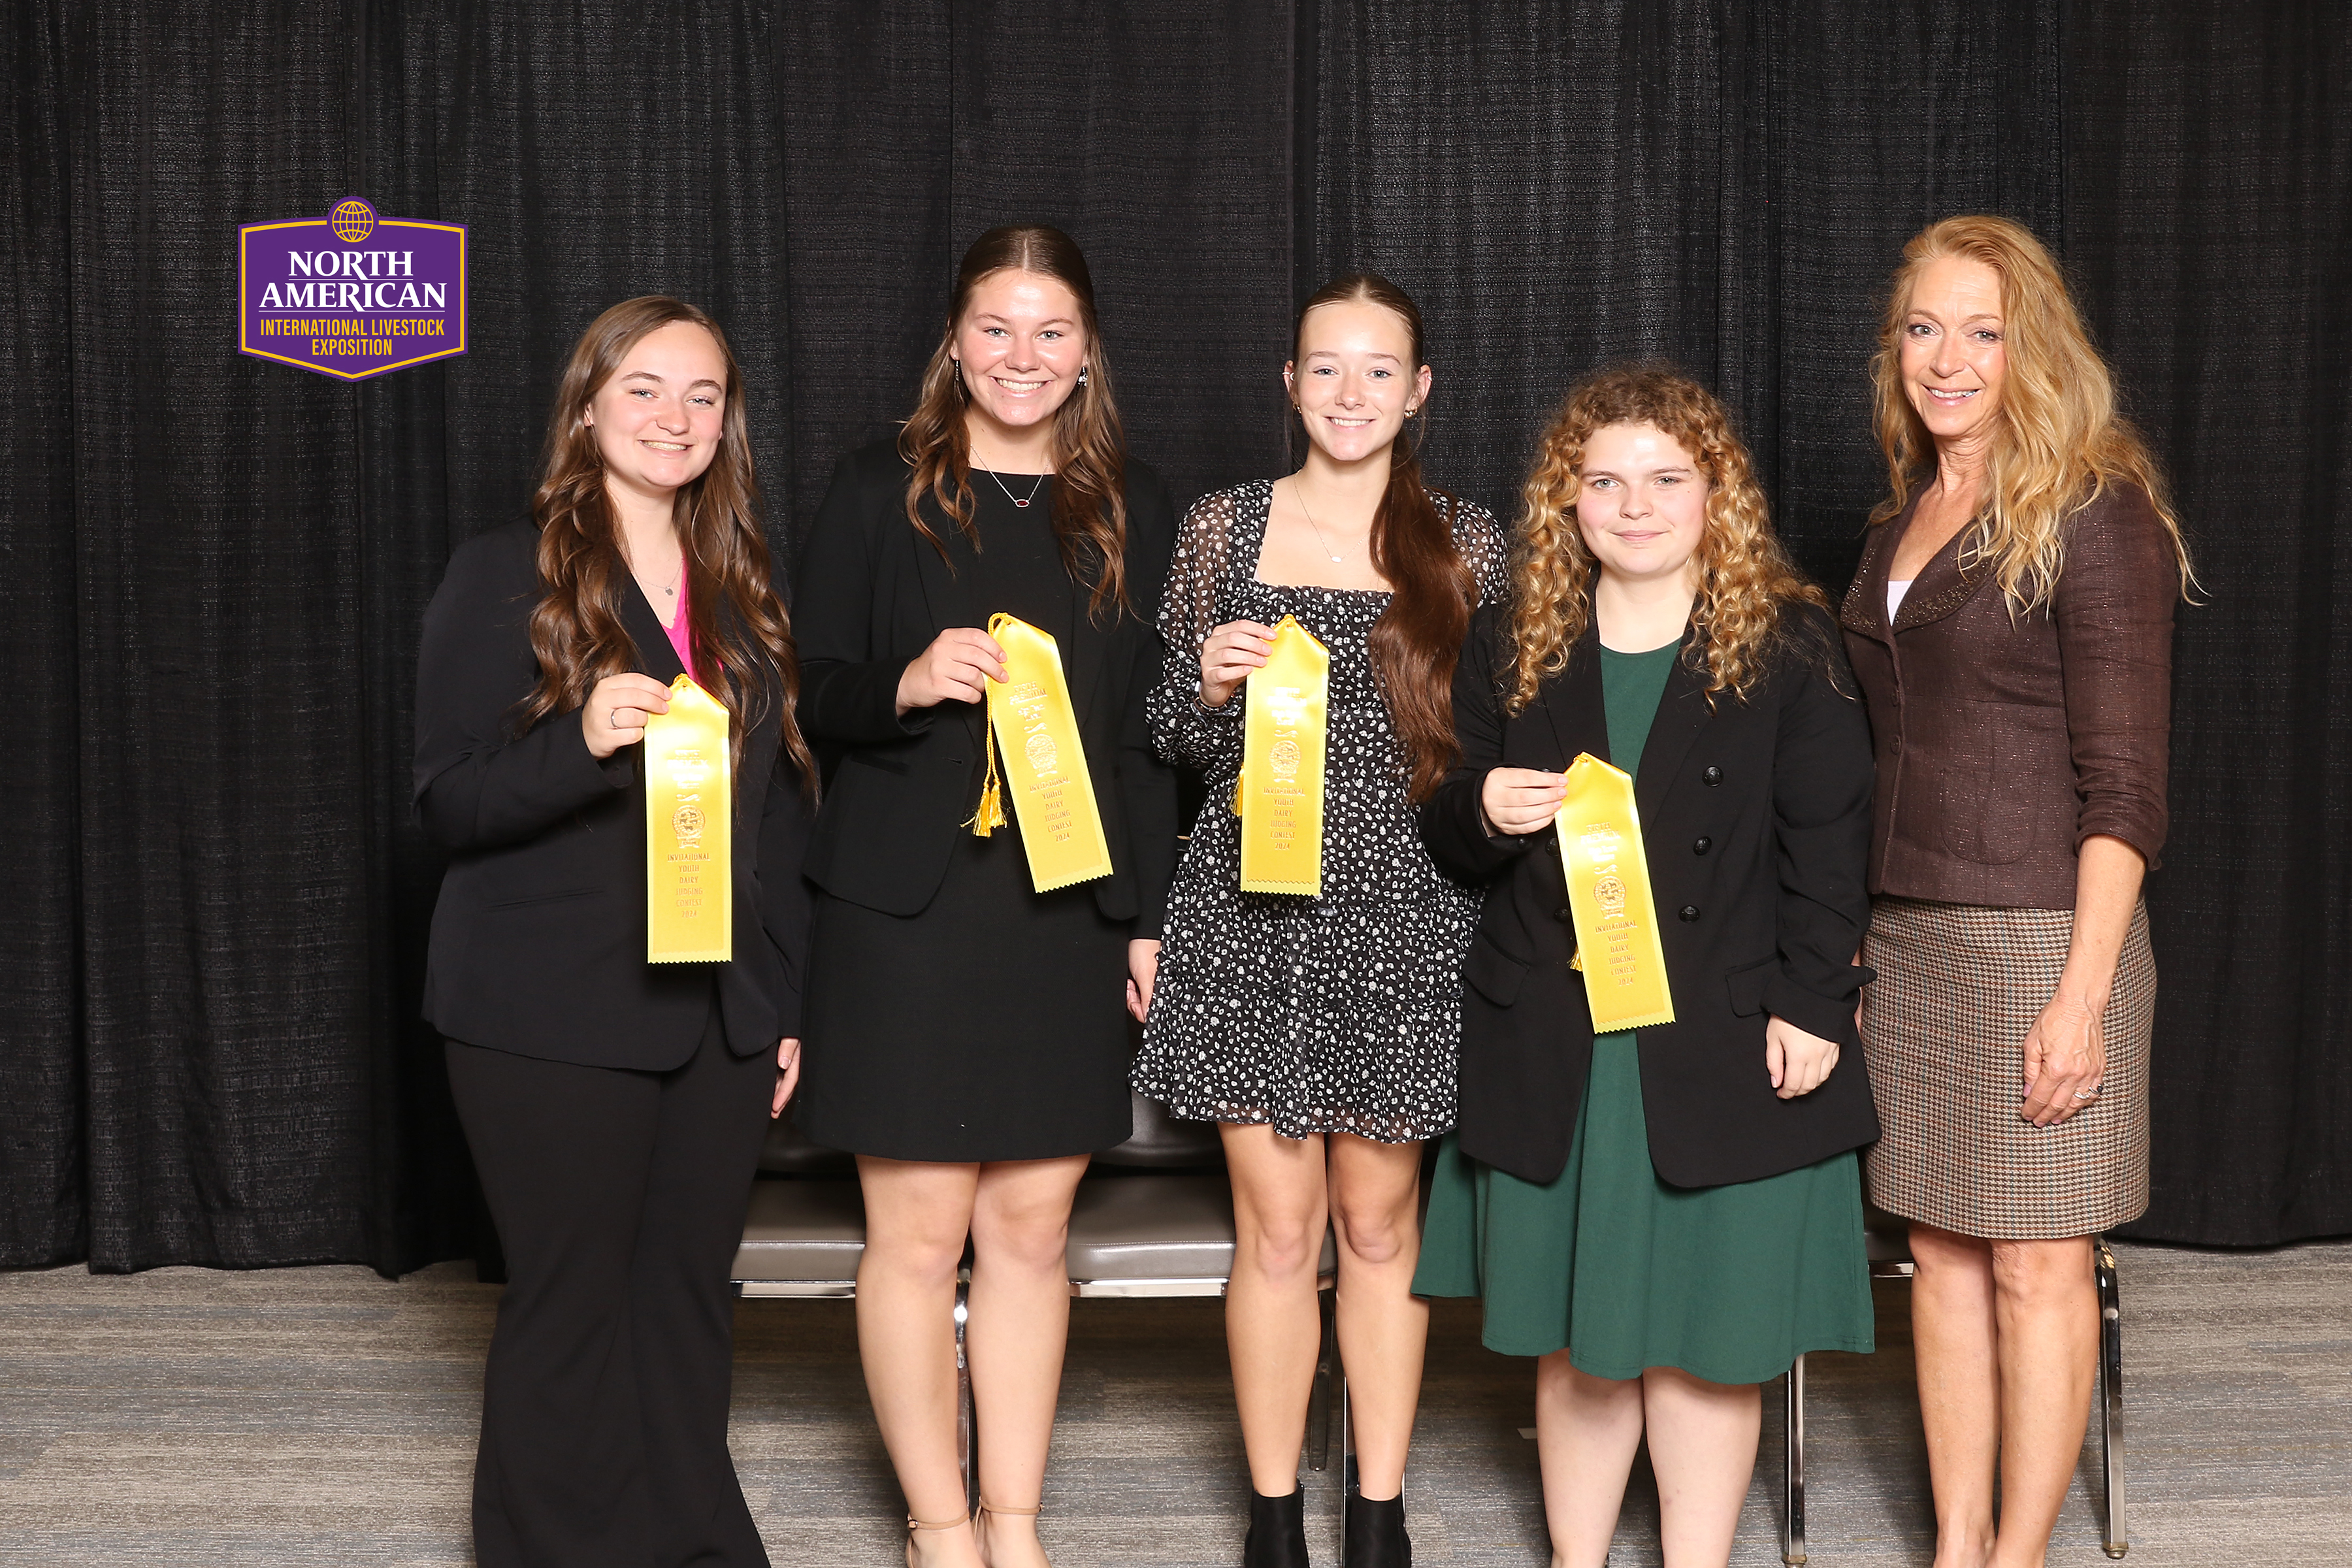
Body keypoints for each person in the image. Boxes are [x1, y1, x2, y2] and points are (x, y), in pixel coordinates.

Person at [1414, 365, 1882, 1568]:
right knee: (1579, 1336)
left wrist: (1814, 1002)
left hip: (1718, 1036)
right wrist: (1489, 810)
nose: (1634, 505)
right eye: (1604, 481)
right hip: (1559, 1039)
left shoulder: (1786, 640)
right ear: (1566, 501)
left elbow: (1830, 845)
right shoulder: (1516, 634)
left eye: (1666, 479)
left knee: (1709, 1339)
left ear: (1714, 493)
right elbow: (1446, 821)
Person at [790, 225, 1177, 1568]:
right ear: (955, 341)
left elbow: (1140, 738)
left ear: (1086, 353)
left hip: (1062, 913)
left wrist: (1146, 914)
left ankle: (1014, 1520)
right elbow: (806, 691)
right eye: (998, 329)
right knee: (916, 1233)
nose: (1024, 358)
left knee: (1031, 1228)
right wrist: (904, 681)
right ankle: (937, 1524)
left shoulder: (1135, 504)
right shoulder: (872, 490)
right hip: (901, 919)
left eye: (1052, 331)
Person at [414, 296, 815, 1568]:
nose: (675, 419)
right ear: (586, 406)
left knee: (687, 1303)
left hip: (717, 1016)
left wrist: (781, 1003)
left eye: (703, 397)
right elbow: (449, 801)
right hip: (547, 1012)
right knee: (571, 1306)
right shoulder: (505, 570)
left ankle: (693, 1545)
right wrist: (578, 745)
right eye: (644, 389)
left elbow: (777, 824)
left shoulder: (739, 595)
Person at [1132, 272, 1507, 1567]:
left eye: (1379, 370)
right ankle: (1277, 1511)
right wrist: (1207, 684)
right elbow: (1169, 739)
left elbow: (1494, 745)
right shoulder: (1221, 530)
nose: (1352, 394)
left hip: (1410, 926)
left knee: (1378, 1227)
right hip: (1250, 924)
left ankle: (1380, 1510)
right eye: (1326, 368)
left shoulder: (1467, 540)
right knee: (1277, 1232)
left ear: (1419, 391)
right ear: (1289, 383)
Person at [1842, 214, 2192, 1568]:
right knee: (1940, 1262)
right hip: (1910, 935)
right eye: (1924, 326)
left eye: (1982, 330)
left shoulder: (2097, 513)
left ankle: (2020, 1556)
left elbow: (2127, 788)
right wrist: (1855, 954)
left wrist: (2085, 993)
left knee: (2042, 1267)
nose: (1948, 356)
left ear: (2031, 346)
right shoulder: (1897, 522)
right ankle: (1957, 1542)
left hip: (2044, 937)